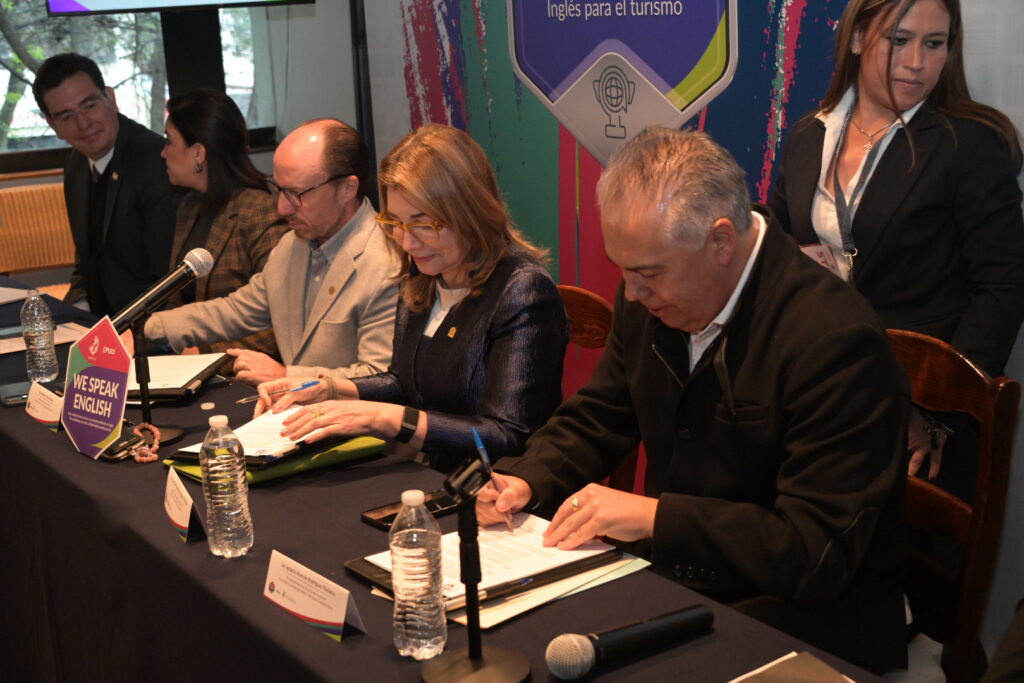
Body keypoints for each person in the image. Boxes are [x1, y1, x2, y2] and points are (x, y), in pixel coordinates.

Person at [476, 127, 908, 673]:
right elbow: (600, 414)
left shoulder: (835, 341)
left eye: (648, 273)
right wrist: (526, 479)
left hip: (804, 621)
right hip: (681, 585)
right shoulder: (651, 297)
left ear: (721, 242)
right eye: (624, 271)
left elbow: (812, 551)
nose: (632, 293)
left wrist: (656, 517)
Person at [768, 0, 1024, 492]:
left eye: (934, 44)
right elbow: (780, 255)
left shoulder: (970, 143)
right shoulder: (809, 134)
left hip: (917, 420)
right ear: (857, 38)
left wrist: (938, 412)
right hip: (818, 397)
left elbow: (1002, 288)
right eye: (899, 40)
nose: (916, 63)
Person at [255, 124, 568, 473]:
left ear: (469, 211)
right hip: (435, 475)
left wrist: (387, 418)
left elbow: (507, 436)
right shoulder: (424, 275)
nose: (406, 242)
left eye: (423, 225)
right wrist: (330, 389)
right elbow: (404, 383)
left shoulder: (522, 291)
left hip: (499, 489)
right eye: (395, 222)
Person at [143, 119, 398, 385]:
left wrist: (287, 376)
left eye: (295, 194)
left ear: (347, 189)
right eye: (278, 189)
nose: (282, 208)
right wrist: (140, 327)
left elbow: (381, 379)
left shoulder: (385, 262)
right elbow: (234, 311)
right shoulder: (292, 246)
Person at [32, 53, 180, 318]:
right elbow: (87, 263)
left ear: (110, 98)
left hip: (148, 322)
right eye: (66, 117)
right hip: (99, 320)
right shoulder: (76, 165)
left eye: (89, 105)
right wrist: (75, 311)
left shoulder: (156, 161)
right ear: (53, 126)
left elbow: (168, 281)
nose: (83, 124)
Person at [159, 88, 289, 355]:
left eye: (169, 141)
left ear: (198, 153)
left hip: (238, 368)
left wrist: (206, 353)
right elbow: (175, 299)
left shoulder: (260, 211)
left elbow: (280, 322)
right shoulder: (189, 206)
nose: (163, 152)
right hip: (182, 360)